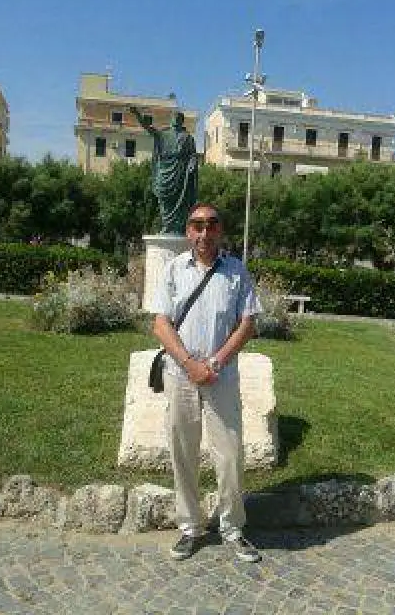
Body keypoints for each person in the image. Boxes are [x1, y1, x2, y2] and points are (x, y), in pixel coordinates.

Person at [150, 203, 262, 562]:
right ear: (188, 231)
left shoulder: (236, 271)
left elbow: (247, 324)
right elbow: (160, 324)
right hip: (180, 375)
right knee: (183, 452)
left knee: (229, 455)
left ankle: (232, 527)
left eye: (211, 225)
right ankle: (190, 527)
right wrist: (189, 364)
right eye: (197, 225)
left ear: (220, 231)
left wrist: (214, 363)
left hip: (221, 376)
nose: (204, 232)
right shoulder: (173, 270)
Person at [130, 107, 197, 235]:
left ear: (182, 121)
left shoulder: (188, 138)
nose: (176, 120)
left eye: (178, 118)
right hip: (165, 170)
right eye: (174, 117)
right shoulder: (163, 134)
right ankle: (167, 225)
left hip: (180, 171)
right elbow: (148, 128)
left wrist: (192, 164)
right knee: (163, 198)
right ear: (171, 119)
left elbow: (193, 155)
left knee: (179, 200)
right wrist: (138, 115)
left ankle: (177, 227)